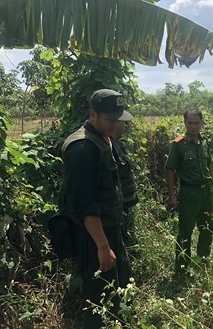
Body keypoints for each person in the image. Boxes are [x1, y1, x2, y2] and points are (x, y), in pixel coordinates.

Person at [58, 88, 133, 329]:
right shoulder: (81, 148)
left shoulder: (103, 139)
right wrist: (103, 246)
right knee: (97, 295)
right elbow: (85, 204)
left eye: (117, 119)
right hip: (94, 236)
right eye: (110, 120)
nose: (115, 125)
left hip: (110, 228)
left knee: (117, 285)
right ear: (93, 114)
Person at [165, 109, 213, 278]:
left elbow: (209, 165)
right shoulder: (179, 144)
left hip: (206, 193)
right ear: (185, 123)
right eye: (190, 123)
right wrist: (172, 195)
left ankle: (202, 259)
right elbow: (170, 170)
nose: (193, 126)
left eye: (196, 123)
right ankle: (182, 268)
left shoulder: (205, 142)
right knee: (185, 231)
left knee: (207, 227)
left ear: (202, 123)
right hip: (189, 193)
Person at [112, 120, 139, 244]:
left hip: (124, 203)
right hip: (115, 206)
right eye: (123, 123)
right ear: (116, 124)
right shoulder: (108, 146)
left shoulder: (119, 145)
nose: (125, 126)